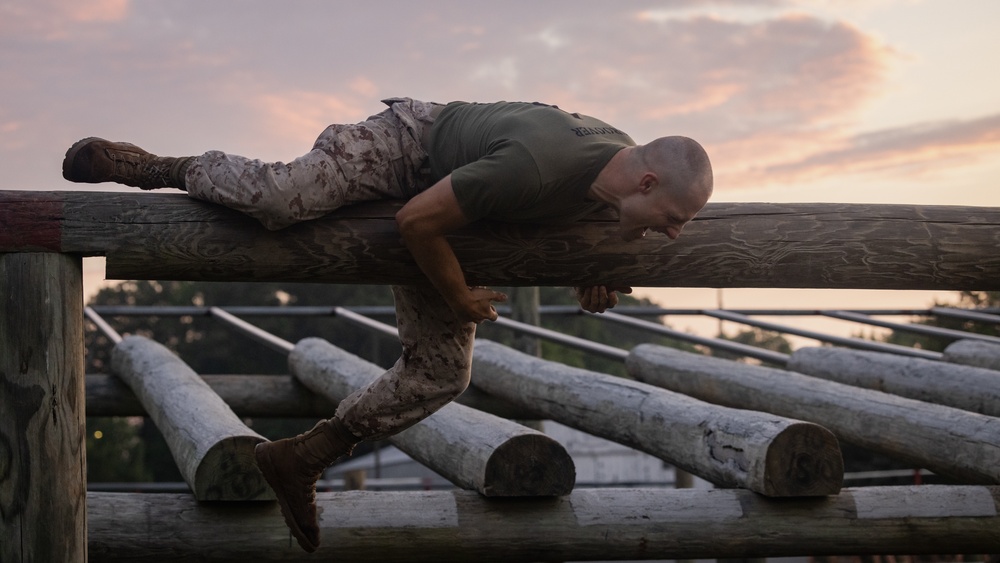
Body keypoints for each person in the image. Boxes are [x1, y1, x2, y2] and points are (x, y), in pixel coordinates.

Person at [62, 97, 713, 552]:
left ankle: (299, 458)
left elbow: (589, 216)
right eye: (675, 216)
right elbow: (414, 222)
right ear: (648, 178)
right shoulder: (536, 165)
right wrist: (456, 295)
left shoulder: (616, 173)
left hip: (455, 191)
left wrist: (593, 271)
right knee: (282, 200)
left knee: (443, 373)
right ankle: (153, 168)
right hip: (408, 143)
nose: (676, 233)